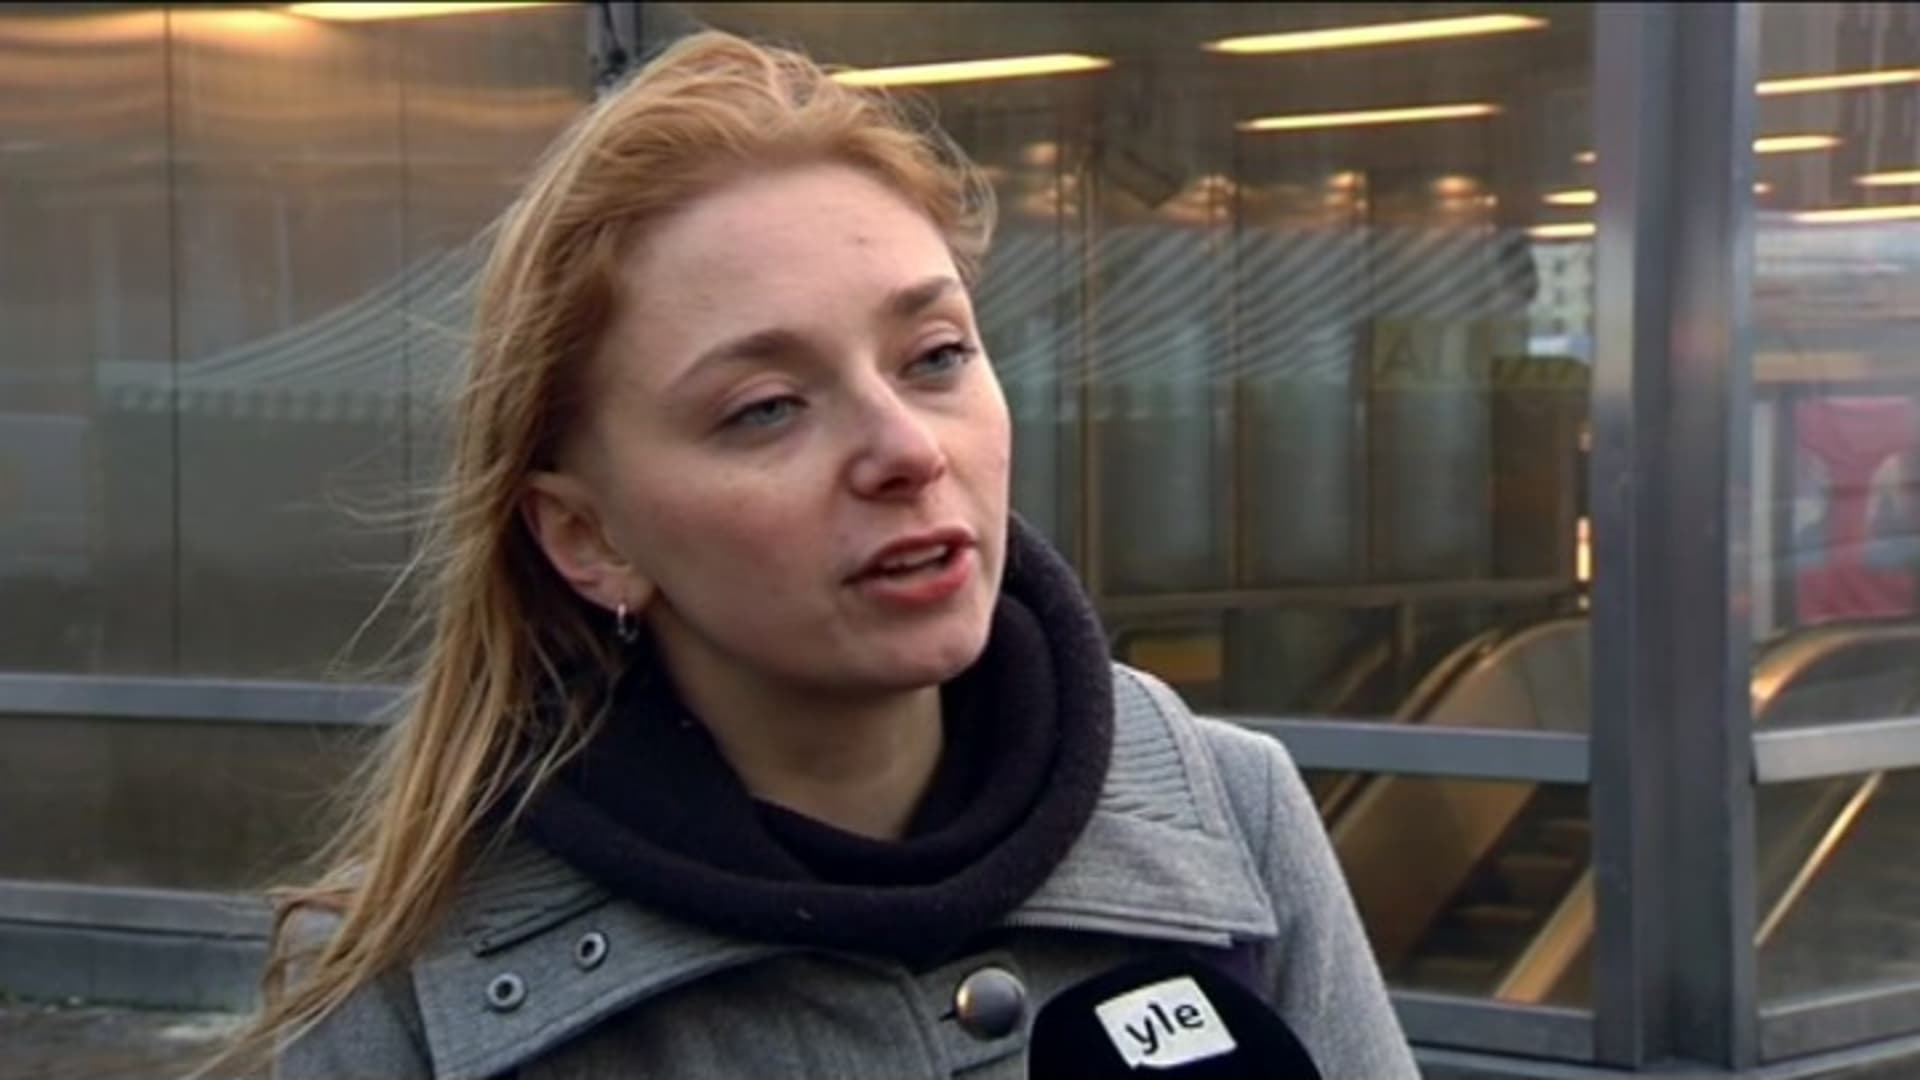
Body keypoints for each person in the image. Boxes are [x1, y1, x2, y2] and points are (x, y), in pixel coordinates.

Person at [215, 29, 1418, 1079]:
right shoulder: (405, 989)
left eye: (936, 355)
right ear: (589, 537)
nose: (907, 451)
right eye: (767, 409)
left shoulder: (1236, 813)